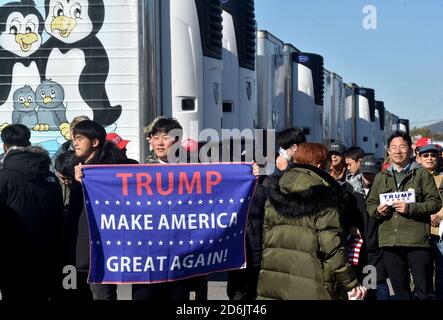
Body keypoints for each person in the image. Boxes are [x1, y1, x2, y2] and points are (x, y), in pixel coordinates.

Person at [256, 143, 366, 300]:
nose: (330, 168)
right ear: (320, 165)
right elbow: (331, 247)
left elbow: (265, 237)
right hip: (312, 282)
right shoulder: (326, 196)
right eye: (328, 164)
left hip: (273, 278)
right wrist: (351, 283)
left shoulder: (276, 190)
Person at [226, 128, 306, 300]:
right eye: (243, 161)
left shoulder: (270, 183)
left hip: (263, 252)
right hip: (237, 252)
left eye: (252, 161)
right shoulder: (231, 186)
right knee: (237, 293)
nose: (248, 165)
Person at [367, 131, 442, 300]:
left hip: (417, 242)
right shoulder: (380, 177)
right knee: (400, 293)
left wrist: (410, 209)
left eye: (402, 147)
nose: (398, 151)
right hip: (389, 243)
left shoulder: (421, 174)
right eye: (393, 147)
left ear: (410, 150)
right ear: (388, 151)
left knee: (424, 293)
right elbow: (370, 205)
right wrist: (377, 210)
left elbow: (435, 202)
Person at [0, 124, 64, 300]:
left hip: (11, 257)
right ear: (28, 143)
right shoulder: (50, 177)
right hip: (47, 256)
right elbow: (59, 216)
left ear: (5, 147)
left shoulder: (4, 177)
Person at [72, 120, 129, 300]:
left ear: (95, 142)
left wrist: (88, 182)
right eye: (74, 138)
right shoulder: (76, 168)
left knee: (102, 295)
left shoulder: (109, 171)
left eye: (80, 138)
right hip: (81, 246)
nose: (75, 143)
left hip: (103, 246)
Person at [359, 156, 391, 300]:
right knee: (368, 284)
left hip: (380, 246)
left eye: (371, 173)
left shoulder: (387, 190)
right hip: (361, 248)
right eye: (365, 173)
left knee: (380, 283)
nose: (368, 177)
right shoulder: (352, 191)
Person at [416, 143, 443, 299]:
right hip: (419, 233)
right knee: (421, 273)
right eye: (425, 155)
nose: (430, 158)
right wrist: (427, 215)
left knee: (441, 272)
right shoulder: (412, 176)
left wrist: (439, 215)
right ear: (419, 158)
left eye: (433, 155)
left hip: (439, 232)